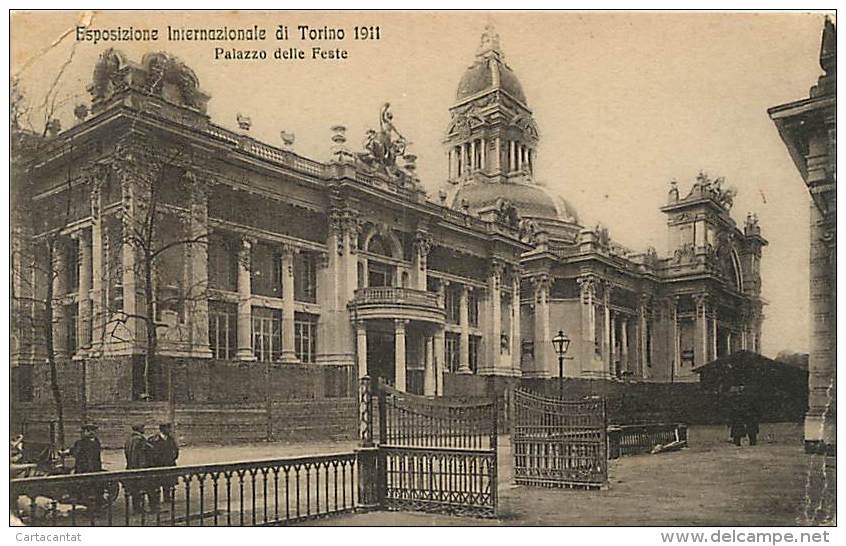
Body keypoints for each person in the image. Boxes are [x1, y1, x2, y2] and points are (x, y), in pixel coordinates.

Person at [65, 424, 103, 506]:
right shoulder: (96, 442)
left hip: (85, 469)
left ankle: (90, 507)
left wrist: (68, 452)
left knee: (86, 489)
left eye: (92, 431)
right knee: (92, 489)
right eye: (89, 431)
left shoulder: (82, 443)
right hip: (92, 469)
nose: (91, 432)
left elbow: (76, 453)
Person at [148, 423, 179, 506]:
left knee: (168, 482)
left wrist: (173, 458)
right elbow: (151, 452)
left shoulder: (171, 439)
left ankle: (167, 497)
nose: (169, 430)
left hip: (169, 463)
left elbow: (176, 450)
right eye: (167, 428)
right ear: (162, 429)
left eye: (169, 428)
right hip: (159, 465)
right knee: (158, 482)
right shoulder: (154, 440)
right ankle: (156, 499)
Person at [124, 424, 152, 512]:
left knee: (134, 489)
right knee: (143, 488)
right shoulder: (141, 439)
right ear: (139, 429)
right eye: (143, 428)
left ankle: (136, 507)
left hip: (130, 467)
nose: (144, 430)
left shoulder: (129, 440)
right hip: (140, 467)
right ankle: (141, 508)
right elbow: (142, 454)